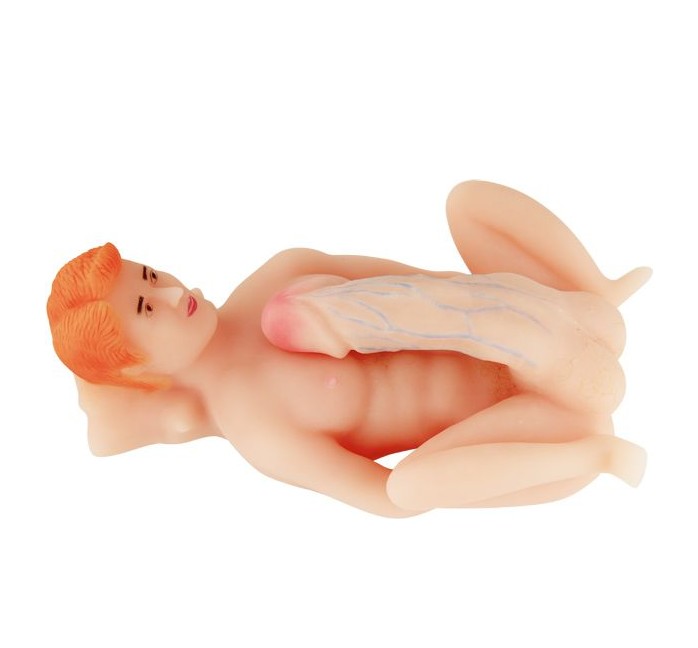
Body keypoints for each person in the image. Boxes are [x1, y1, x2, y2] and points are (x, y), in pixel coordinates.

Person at [47, 181, 650, 517]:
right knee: (407, 490)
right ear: (142, 369)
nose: (172, 291)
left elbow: (431, 281)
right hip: (527, 418)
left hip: (528, 316)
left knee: (466, 202)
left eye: (151, 275)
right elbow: (381, 497)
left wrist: (506, 309)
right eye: (147, 309)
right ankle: (595, 453)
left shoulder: (278, 274)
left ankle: (598, 289)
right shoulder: (258, 428)